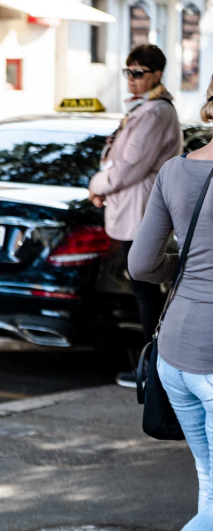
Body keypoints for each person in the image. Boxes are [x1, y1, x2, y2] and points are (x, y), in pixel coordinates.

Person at [107, 75, 213, 531]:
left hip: (175, 356)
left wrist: (189, 273)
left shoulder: (175, 171)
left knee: (212, 485)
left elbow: (142, 264)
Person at [88, 44, 182, 388]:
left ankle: (155, 368)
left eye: (139, 73)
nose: (132, 80)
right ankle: (155, 365)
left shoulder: (156, 113)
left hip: (141, 211)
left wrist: (99, 184)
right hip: (131, 209)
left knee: (145, 290)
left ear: (156, 74)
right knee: (143, 289)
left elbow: (130, 166)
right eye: (128, 72)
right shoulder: (145, 109)